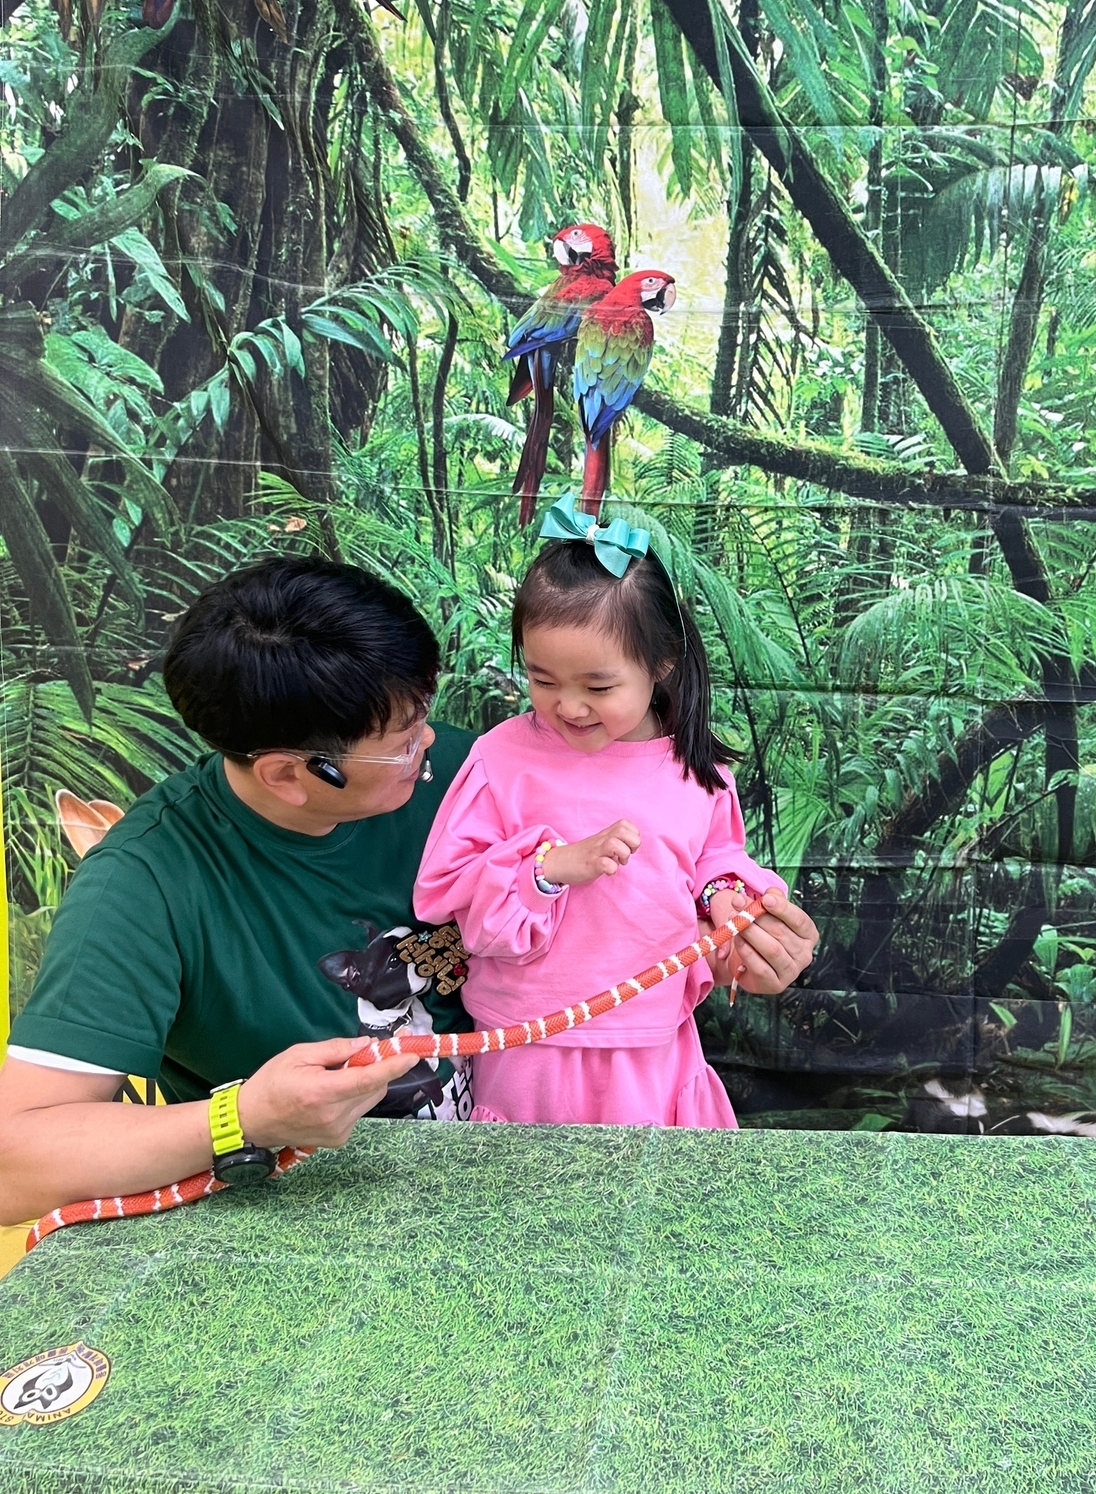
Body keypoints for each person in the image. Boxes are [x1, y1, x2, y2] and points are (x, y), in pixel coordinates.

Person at [0, 554, 818, 1226]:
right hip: (305, 1222)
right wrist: (244, 1117)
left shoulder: (477, 769)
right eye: (402, 739)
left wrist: (743, 935)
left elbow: (669, 865)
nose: (432, 745)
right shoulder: (146, 885)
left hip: (515, 1173)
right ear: (289, 774)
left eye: (425, 713)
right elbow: (12, 1166)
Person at [413, 496, 809, 1129]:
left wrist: (726, 899)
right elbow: (450, 897)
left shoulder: (696, 770)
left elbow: (716, 859)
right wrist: (548, 869)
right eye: (543, 680)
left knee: (648, 1186)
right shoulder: (500, 759)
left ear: (661, 665)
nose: (568, 707)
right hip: (528, 1047)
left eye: (598, 687)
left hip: (654, 1044)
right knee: (527, 1187)